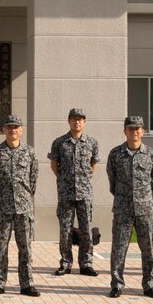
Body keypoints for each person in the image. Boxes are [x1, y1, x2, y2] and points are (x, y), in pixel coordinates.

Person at [0, 115, 39, 297]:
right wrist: (1, 196)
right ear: (4, 130)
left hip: (24, 208)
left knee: (25, 247)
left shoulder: (29, 153)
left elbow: (33, 181)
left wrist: (24, 198)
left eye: (16, 127)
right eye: (9, 127)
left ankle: (27, 284)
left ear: (21, 130)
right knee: (1, 247)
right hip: (2, 207)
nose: (12, 130)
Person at [105, 116, 153, 298]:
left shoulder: (150, 154)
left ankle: (149, 284)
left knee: (148, 248)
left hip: (145, 209)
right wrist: (123, 197)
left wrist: (142, 198)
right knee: (119, 248)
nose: (134, 132)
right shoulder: (115, 154)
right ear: (125, 131)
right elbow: (112, 181)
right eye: (131, 129)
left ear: (143, 131)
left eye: (138, 129)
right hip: (123, 209)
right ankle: (117, 284)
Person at [50, 108, 99, 276]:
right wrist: (64, 180)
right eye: (74, 119)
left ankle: (86, 263)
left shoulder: (92, 142)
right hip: (66, 193)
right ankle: (66, 263)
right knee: (65, 230)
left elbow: (93, 165)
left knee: (86, 229)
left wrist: (83, 180)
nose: (77, 122)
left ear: (84, 122)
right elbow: (54, 165)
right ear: (69, 121)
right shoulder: (59, 143)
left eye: (80, 119)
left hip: (85, 193)